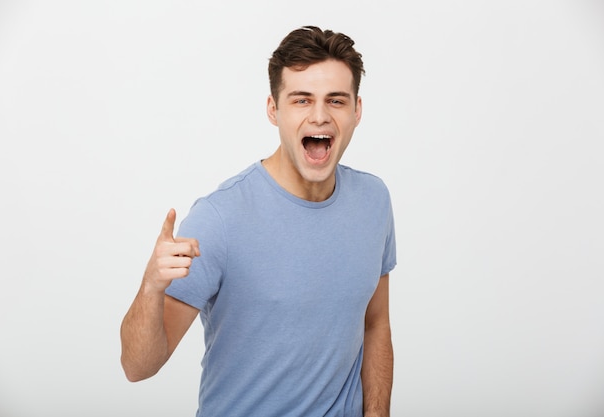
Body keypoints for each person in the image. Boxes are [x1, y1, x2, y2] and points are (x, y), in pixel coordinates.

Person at [120, 25, 397, 417]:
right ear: (274, 109)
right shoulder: (219, 219)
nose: (320, 116)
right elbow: (137, 367)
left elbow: (376, 324)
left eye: (336, 101)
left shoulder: (373, 202)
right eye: (301, 100)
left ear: (357, 110)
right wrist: (150, 287)